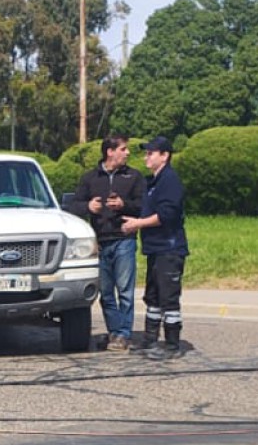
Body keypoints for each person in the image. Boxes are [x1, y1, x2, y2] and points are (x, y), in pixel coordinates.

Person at [65, 136, 146, 351]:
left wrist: (124, 204)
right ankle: (113, 332)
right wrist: (88, 207)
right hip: (100, 242)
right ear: (110, 152)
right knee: (107, 293)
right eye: (123, 149)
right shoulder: (91, 178)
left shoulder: (134, 176)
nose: (127, 153)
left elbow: (144, 205)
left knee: (125, 291)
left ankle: (124, 334)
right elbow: (72, 207)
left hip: (124, 240)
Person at [134, 135, 190, 359]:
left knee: (169, 298)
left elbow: (166, 215)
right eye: (146, 153)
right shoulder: (152, 182)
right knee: (153, 296)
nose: (146, 157)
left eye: (151, 153)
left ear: (165, 156)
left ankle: (172, 345)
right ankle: (150, 340)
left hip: (169, 248)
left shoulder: (170, 181)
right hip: (155, 248)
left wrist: (138, 224)